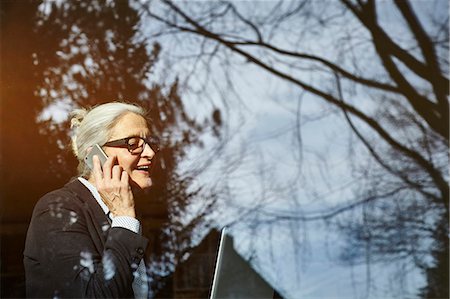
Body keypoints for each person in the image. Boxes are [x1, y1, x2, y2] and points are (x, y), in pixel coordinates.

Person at [23, 102, 160, 298]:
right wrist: (125, 219)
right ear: (95, 155)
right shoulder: (57, 210)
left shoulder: (127, 213)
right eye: (133, 144)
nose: (150, 153)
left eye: (149, 143)